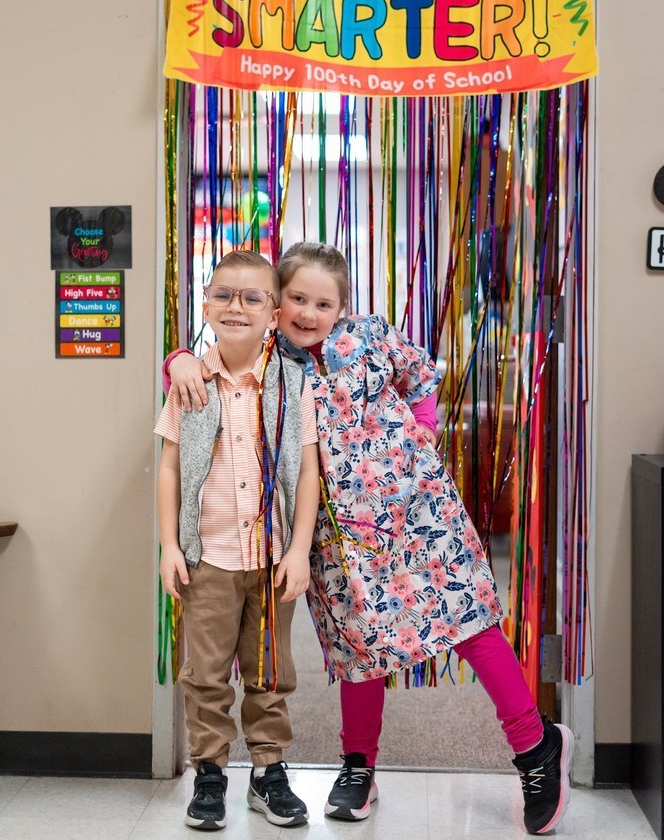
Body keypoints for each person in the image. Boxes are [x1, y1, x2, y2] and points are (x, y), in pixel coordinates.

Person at [164, 242, 574, 836]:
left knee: (470, 625)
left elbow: (422, 375)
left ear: (343, 307)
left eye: (322, 303)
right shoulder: (273, 359)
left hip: (418, 513)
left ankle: (535, 749)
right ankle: (359, 765)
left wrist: (426, 430)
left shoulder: (372, 337)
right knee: (360, 646)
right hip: (337, 535)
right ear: (276, 306)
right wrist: (175, 357)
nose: (308, 312)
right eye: (296, 299)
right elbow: (209, 359)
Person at [155, 249, 320, 831]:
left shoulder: (293, 383)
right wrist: (170, 546)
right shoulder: (191, 381)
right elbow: (170, 467)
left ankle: (269, 772)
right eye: (223, 294)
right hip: (210, 561)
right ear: (206, 304)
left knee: (269, 672)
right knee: (205, 674)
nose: (236, 306)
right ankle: (209, 774)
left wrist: (299, 550)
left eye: (253, 297)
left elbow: (306, 471)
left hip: (273, 562)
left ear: (273, 313)